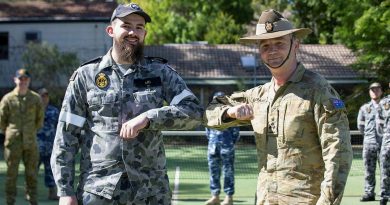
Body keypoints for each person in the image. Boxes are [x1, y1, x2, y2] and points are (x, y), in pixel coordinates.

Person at [50, 3, 203, 205]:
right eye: (126, 25)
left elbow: (193, 112)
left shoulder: (160, 73)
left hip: (150, 192)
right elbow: (66, 135)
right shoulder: (86, 76)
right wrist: (65, 191)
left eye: (139, 27)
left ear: (145, 34)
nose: (133, 32)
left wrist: (149, 118)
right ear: (111, 30)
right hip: (99, 192)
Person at [204, 9, 353, 205]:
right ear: (259, 51)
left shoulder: (318, 91)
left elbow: (339, 155)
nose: (272, 50)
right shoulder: (258, 96)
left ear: (295, 44)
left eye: (279, 43)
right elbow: (209, 112)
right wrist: (230, 112)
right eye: (265, 45)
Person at [0, 68, 44, 205]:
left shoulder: (36, 98)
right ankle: (10, 202)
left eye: (25, 79)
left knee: (32, 175)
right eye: (20, 79)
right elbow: (2, 120)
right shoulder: (7, 99)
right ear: (15, 80)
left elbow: (39, 120)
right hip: (13, 143)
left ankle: (33, 201)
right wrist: (10, 132)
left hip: (31, 142)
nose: (23, 82)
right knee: (11, 176)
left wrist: (30, 131)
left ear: (29, 81)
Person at [205, 92, 240, 205]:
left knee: (228, 172)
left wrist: (229, 144)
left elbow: (236, 133)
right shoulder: (210, 113)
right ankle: (215, 196)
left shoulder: (231, 114)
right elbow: (208, 131)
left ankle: (228, 198)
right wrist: (212, 142)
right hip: (212, 148)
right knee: (213, 173)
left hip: (227, 148)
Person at [357, 82, 384, 202]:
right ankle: (369, 193)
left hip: (385, 144)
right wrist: (368, 137)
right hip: (369, 143)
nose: (375, 91)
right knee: (369, 170)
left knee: (386, 170)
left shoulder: (387, 106)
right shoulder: (364, 108)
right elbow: (360, 125)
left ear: (381, 91)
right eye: (373, 90)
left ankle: (385, 193)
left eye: (377, 89)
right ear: (369, 92)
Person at [36, 88, 60, 200]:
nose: (44, 98)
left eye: (46, 96)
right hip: (36, 147)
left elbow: (59, 127)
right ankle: (30, 192)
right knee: (32, 170)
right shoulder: (33, 111)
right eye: (42, 96)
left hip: (50, 147)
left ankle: (52, 193)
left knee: (51, 170)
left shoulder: (54, 111)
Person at [379, 82, 390, 205]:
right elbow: (378, 123)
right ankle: (384, 195)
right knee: (385, 171)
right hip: (387, 142)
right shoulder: (384, 103)